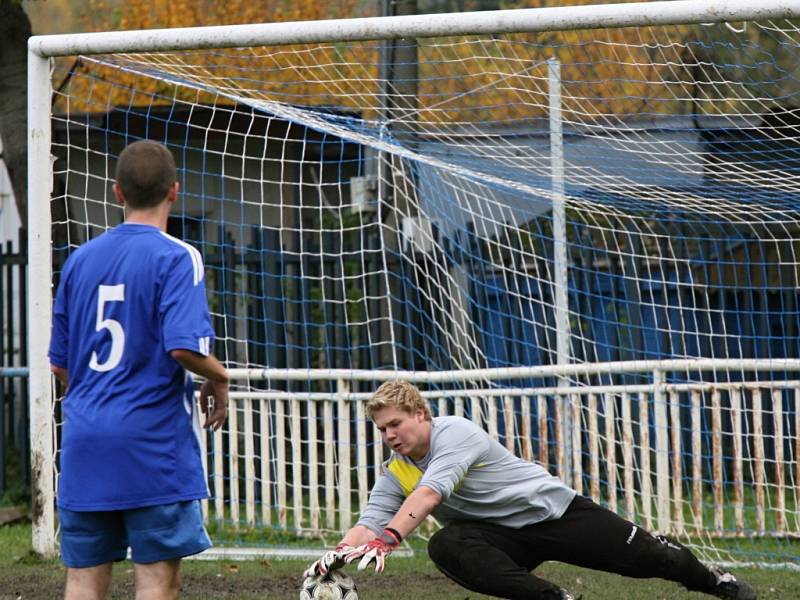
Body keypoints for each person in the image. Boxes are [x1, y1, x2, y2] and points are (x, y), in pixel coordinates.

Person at [305, 380, 757, 600]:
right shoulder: (396, 468)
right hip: (499, 537)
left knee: (654, 560)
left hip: (554, 514)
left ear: (420, 414)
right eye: (382, 429)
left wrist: (391, 538)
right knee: (447, 544)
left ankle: (716, 582)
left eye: (395, 424)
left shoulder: (455, 432)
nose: (389, 435)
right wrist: (337, 554)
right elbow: (370, 521)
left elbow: (428, 497)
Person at [49, 140, 229, 600]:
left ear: (116, 192)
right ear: (175, 191)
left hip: (85, 443)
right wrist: (220, 377)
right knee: (156, 577)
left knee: (84, 579)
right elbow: (184, 349)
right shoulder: (176, 256)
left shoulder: (79, 261)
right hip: (151, 442)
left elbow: (60, 363)